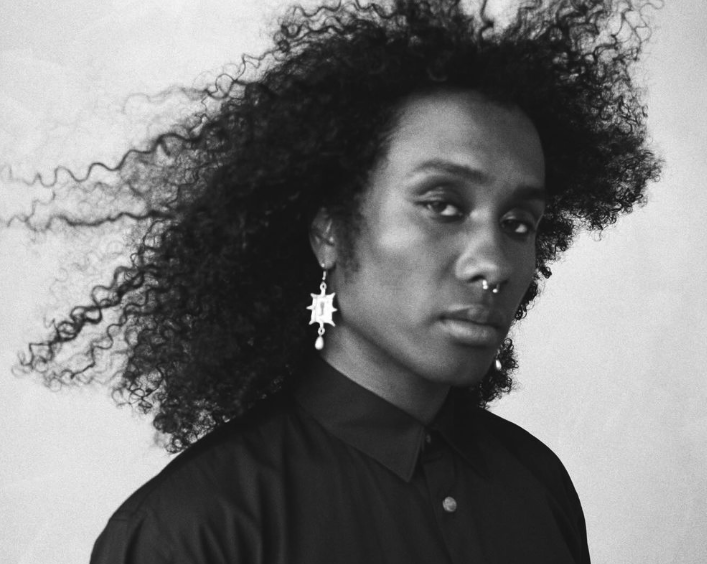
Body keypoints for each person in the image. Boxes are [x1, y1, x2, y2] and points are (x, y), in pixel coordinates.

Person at [16, 0, 660, 562]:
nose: (493, 263)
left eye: (519, 223)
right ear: (330, 230)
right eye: (442, 205)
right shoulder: (193, 533)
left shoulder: (536, 484)